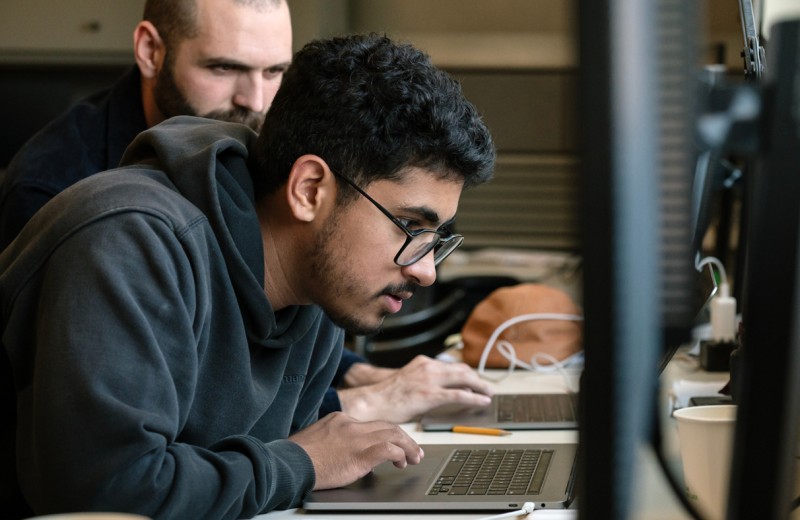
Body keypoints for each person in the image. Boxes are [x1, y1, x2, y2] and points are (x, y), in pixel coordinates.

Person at [0, 32, 496, 519]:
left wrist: (313, 456)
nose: (427, 271)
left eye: (436, 237)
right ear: (308, 190)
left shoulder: (317, 280)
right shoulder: (130, 242)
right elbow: (106, 494)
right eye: (409, 227)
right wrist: (301, 462)